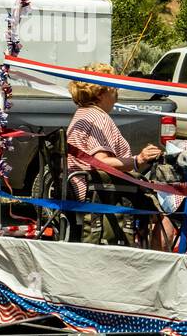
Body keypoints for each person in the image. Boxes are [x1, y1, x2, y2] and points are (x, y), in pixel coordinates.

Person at [66, 63, 164, 245]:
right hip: (100, 192)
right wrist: (139, 159)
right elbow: (101, 163)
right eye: (114, 88)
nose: (117, 92)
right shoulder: (99, 119)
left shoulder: (81, 115)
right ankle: (157, 262)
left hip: (79, 188)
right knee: (167, 210)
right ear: (100, 93)